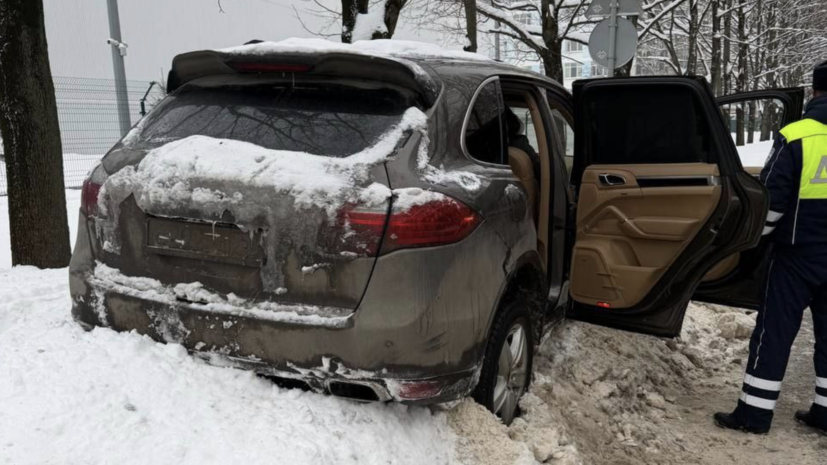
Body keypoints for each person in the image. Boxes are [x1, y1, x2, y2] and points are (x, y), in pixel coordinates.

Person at [714, 60, 827, 435]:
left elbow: (772, 201)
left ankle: (754, 415)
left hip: (796, 254)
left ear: (814, 91)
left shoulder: (797, 135)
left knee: (774, 333)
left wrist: (752, 240)